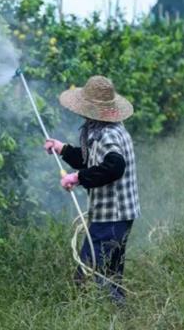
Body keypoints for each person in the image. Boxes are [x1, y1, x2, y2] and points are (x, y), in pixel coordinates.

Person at [44, 75, 141, 304]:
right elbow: (92, 161)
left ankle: (87, 311)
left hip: (112, 216)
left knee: (89, 270)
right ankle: (119, 315)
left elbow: (114, 166)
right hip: (118, 215)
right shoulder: (103, 130)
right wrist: (62, 149)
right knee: (110, 273)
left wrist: (77, 177)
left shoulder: (108, 135)